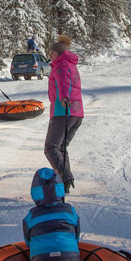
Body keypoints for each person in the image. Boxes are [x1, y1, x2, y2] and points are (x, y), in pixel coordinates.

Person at [22, 168, 86, 261]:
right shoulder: (69, 211)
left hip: (42, 260)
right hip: (69, 258)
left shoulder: (31, 215)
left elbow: (28, 241)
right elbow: (76, 235)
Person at [45, 39, 83, 194]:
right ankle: (65, 181)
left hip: (63, 111)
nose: (50, 55)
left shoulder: (61, 65)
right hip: (76, 113)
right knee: (60, 148)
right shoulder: (70, 64)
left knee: (51, 147)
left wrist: (64, 98)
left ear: (59, 53)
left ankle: (66, 177)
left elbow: (64, 83)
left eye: (52, 52)